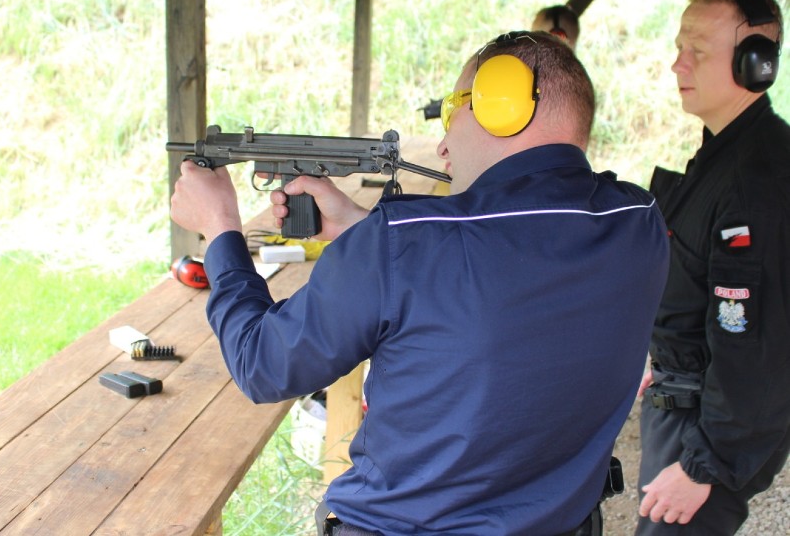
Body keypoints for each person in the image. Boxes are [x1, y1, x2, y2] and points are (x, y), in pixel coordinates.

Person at [170, 31, 670, 535]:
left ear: (504, 105)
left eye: (457, 108)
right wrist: (363, 229)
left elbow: (263, 365)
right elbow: (499, 256)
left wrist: (220, 230)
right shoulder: (639, 219)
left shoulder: (400, 246)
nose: (444, 142)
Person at [636, 0, 790, 535]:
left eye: (697, 50)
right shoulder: (722, 158)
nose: (678, 64)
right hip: (686, 416)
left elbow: (758, 349)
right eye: (680, 47)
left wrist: (705, 466)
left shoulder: (758, 178)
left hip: (706, 437)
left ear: (756, 62)